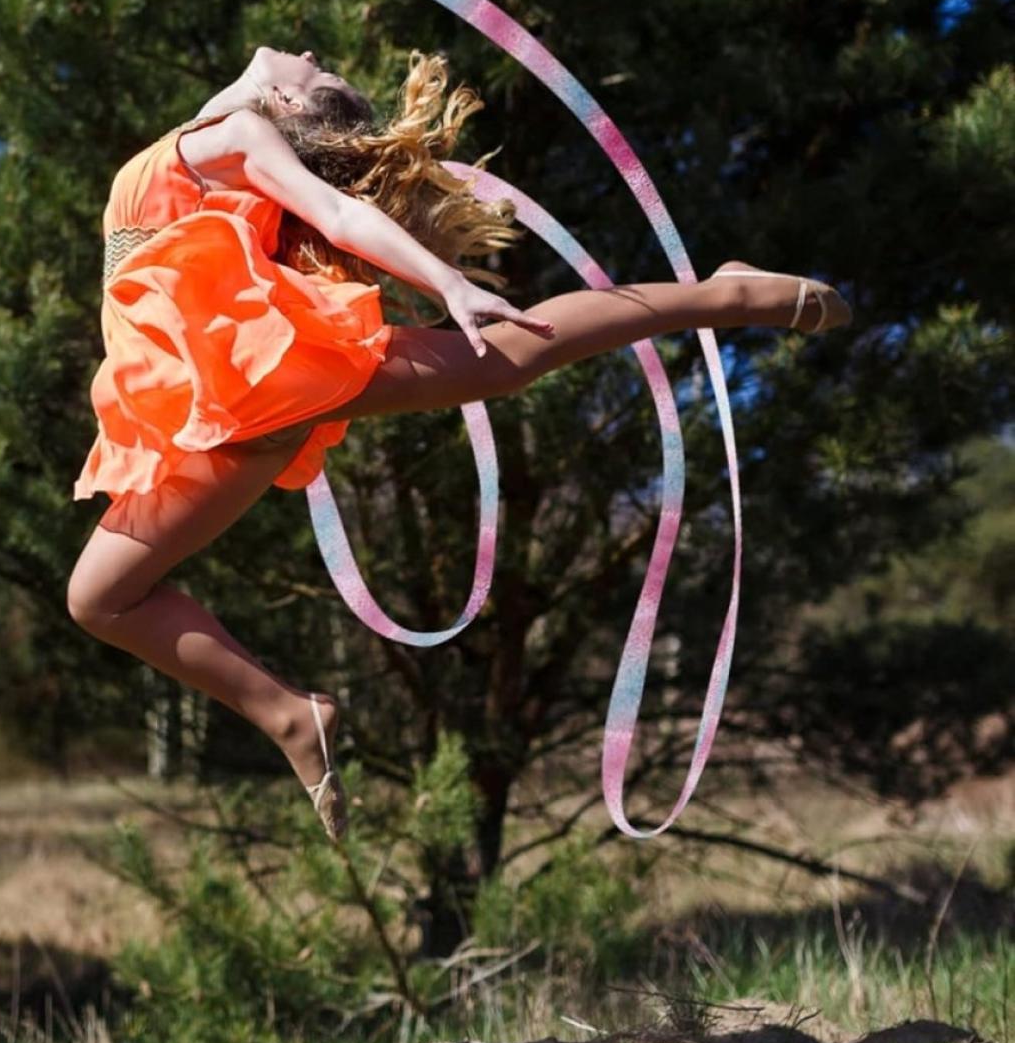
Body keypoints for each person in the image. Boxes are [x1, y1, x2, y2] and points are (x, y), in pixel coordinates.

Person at [68, 46, 851, 843]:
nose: (309, 53)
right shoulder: (212, 128)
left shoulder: (237, 134)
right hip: (230, 396)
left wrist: (449, 284)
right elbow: (261, 114)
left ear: (286, 106)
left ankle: (734, 293)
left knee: (101, 599)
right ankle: (290, 714)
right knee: (103, 598)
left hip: (246, 384)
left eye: (319, 72)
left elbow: (337, 213)